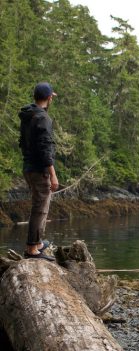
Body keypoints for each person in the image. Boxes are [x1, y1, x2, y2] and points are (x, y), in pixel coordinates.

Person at [18, 82, 59, 261]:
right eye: (52, 97)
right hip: (38, 169)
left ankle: (38, 243)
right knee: (40, 209)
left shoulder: (28, 115)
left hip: (28, 167)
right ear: (49, 98)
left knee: (39, 206)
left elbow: (23, 143)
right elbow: (45, 148)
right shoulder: (42, 118)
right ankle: (32, 249)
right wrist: (53, 174)